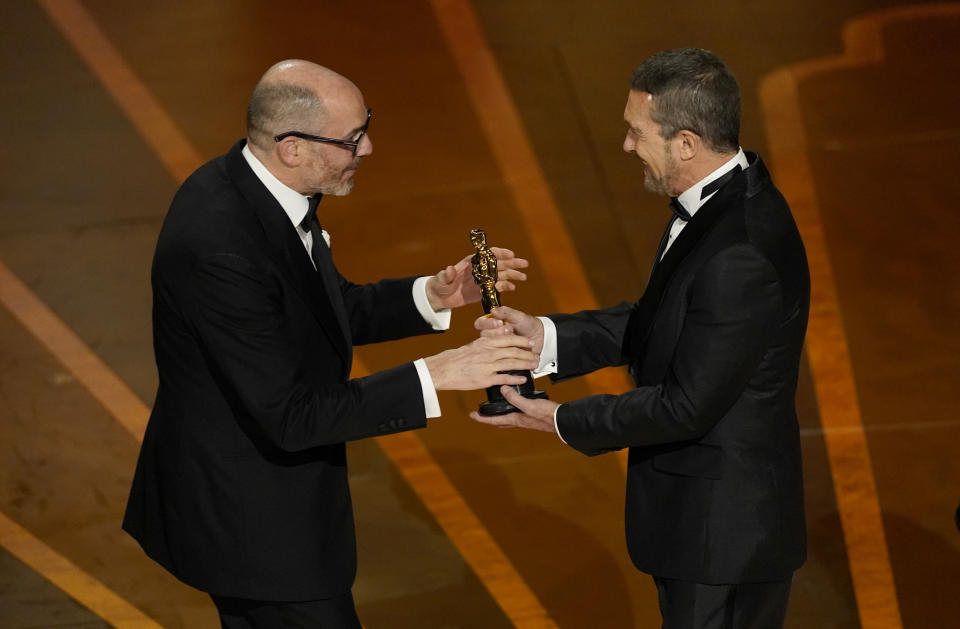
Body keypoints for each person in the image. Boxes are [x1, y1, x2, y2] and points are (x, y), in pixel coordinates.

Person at [122, 59, 539, 629]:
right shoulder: (221, 249)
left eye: (364, 125)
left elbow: (320, 311)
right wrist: (439, 373)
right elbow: (291, 415)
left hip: (272, 497)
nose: (367, 148)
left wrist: (436, 296)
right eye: (351, 138)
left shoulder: (261, 190)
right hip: (250, 519)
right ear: (291, 146)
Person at [473, 48, 810, 629]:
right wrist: (547, 339)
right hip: (705, 527)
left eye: (636, 132)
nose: (627, 146)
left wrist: (555, 419)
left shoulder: (739, 252)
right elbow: (666, 318)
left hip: (720, 540)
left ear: (686, 142)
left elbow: (685, 406)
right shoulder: (725, 206)